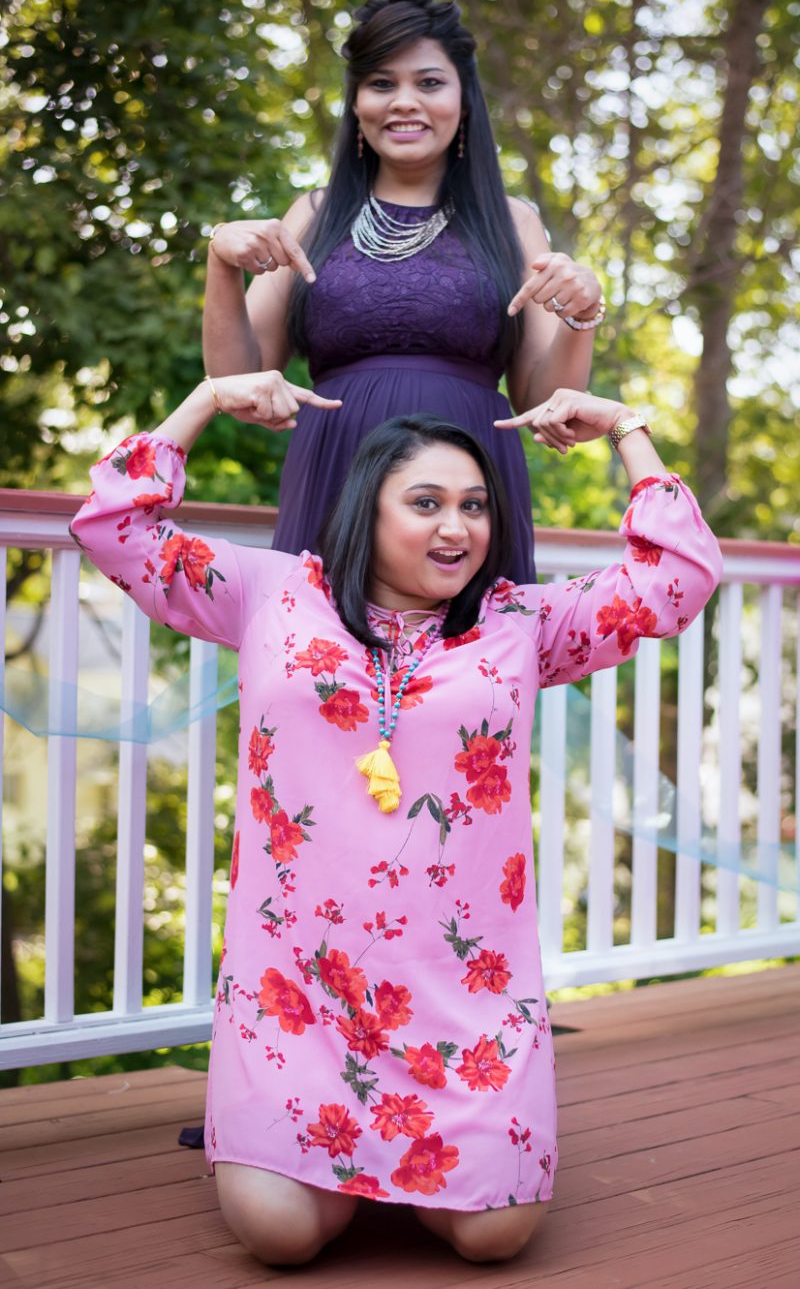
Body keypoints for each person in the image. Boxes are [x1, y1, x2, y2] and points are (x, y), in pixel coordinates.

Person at [70, 372, 721, 1267]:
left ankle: (411, 1165)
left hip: (465, 1015)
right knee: (280, 1237)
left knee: (494, 1237)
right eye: (426, 503)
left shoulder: (520, 624)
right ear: (365, 510)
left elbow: (678, 578)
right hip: (297, 1002)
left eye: (474, 506)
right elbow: (114, 527)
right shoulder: (270, 593)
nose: (457, 528)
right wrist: (209, 399)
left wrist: (624, 425)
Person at [202, 0, 605, 584]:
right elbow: (237, 382)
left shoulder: (513, 222)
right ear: (356, 103)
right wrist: (222, 264)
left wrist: (581, 313)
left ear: (464, 100)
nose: (405, 102)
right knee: (322, 641)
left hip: (468, 492)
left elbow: (546, 403)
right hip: (335, 475)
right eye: (382, 83)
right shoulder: (312, 215)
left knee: (472, 645)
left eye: (429, 82)